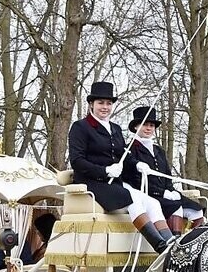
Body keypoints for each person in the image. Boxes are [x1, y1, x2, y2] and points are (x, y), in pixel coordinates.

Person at [67, 81, 172, 252]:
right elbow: (77, 161)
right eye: (101, 103)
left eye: (109, 103)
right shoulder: (80, 127)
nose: (105, 107)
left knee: (152, 203)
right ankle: (159, 246)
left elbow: (123, 154)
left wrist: (137, 164)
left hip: (115, 183)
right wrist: (105, 171)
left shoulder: (115, 128)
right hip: (92, 182)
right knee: (132, 199)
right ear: (91, 104)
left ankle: (170, 243)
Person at [123, 106, 204, 234]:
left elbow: (167, 175)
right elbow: (135, 181)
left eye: (151, 125)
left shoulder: (159, 150)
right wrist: (162, 193)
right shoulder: (129, 150)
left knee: (197, 210)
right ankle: (174, 242)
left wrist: (171, 191)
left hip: (166, 194)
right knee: (175, 208)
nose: (148, 128)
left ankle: (193, 241)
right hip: (147, 196)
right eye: (145, 125)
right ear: (136, 127)